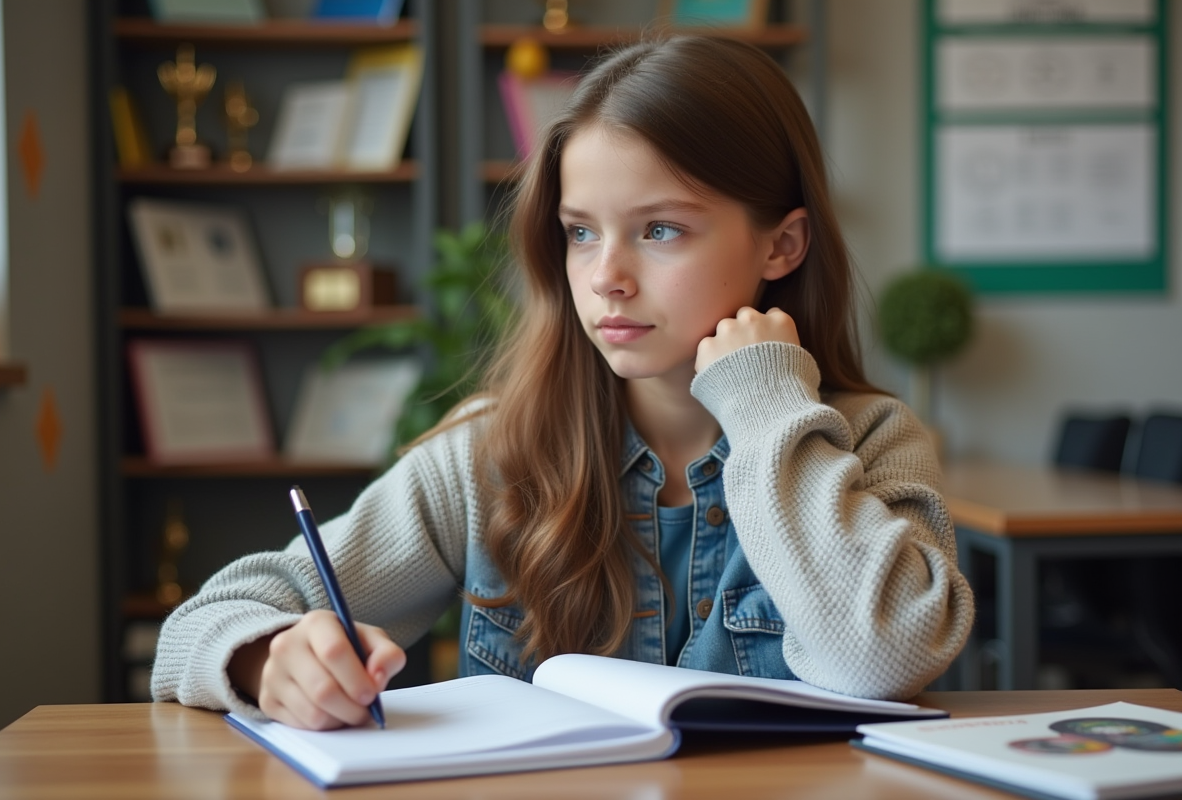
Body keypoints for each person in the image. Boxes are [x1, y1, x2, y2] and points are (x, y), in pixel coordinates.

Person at [152, 35, 975, 731]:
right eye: (581, 233)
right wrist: (268, 658)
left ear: (781, 246)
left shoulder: (871, 440)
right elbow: (196, 627)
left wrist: (766, 409)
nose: (606, 277)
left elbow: (883, 657)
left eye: (660, 229)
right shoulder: (490, 454)